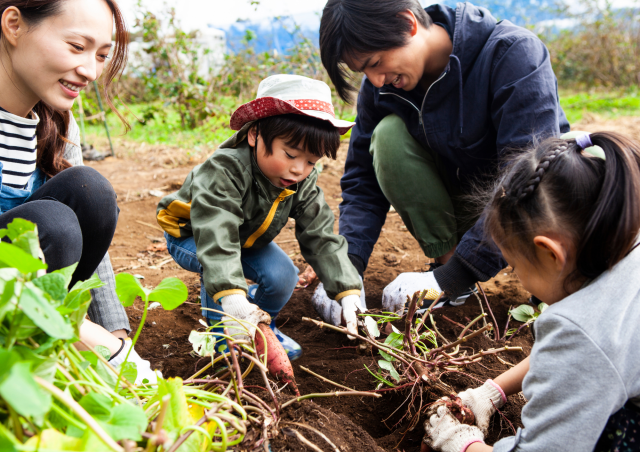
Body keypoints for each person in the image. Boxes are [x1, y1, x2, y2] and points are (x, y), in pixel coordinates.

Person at [312, 0, 570, 317]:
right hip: (461, 210)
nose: (376, 80)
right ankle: (451, 275)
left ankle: (458, 279)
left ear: (407, 22)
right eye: (364, 71)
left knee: (549, 190)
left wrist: (448, 280)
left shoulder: (512, 53)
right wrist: (345, 270)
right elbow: (362, 183)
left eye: (376, 62)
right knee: (387, 135)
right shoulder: (380, 88)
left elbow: (527, 182)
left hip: (530, 214)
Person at [423, 131, 640, 452]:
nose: (519, 279)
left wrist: (460, 443)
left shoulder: (582, 330)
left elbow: (580, 347)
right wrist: (492, 391)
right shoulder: (623, 247)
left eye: (515, 266)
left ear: (551, 254)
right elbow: (586, 354)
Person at [0, 0, 156, 383]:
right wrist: (90, 337)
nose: (89, 70)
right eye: (76, 47)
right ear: (14, 25)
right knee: (50, 223)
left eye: (102, 55)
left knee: (90, 191)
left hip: (25, 300)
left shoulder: (58, 120)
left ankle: (47, 349)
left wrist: (117, 337)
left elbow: (87, 236)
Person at [157, 74, 364, 359]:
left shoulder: (301, 182)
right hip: (192, 235)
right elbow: (217, 236)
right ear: (254, 135)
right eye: (290, 154)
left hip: (243, 238)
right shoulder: (225, 170)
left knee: (283, 275)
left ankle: (263, 327)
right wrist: (232, 295)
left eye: (311, 161)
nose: (298, 170)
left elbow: (321, 237)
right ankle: (223, 336)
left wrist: (348, 292)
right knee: (219, 270)